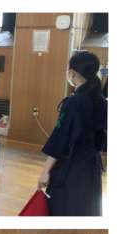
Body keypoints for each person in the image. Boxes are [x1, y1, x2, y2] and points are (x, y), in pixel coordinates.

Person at [38, 51, 106, 216]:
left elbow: (61, 137)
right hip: (91, 165)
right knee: (87, 207)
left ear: (72, 73)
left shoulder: (74, 102)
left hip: (72, 166)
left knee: (66, 207)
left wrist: (45, 171)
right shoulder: (101, 100)